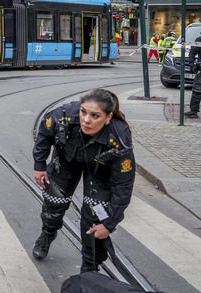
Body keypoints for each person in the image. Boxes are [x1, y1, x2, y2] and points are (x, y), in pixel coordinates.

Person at [30, 89, 136, 273]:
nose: (86, 120)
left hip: (100, 168)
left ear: (108, 117)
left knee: (96, 219)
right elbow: (45, 132)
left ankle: (90, 264)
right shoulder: (63, 115)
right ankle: (47, 233)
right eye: (83, 112)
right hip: (66, 158)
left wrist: (109, 224)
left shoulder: (119, 136)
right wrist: (39, 164)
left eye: (95, 115)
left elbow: (123, 184)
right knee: (53, 203)